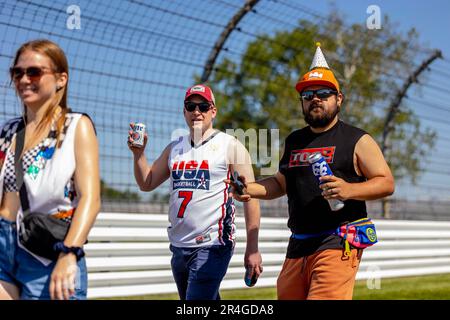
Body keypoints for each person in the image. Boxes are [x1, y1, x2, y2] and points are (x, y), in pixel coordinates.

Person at [226, 43, 395, 300]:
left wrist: (349, 190)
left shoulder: (357, 139)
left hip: (338, 241)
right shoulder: (295, 141)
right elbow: (280, 184)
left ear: (339, 99)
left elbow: (386, 183)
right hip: (298, 244)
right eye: (308, 95)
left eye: (324, 93)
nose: (315, 98)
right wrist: (247, 189)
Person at [127, 84, 262, 300]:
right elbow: (147, 182)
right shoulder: (174, 148)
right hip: (179, 246)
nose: (196, 111)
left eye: (203, 106)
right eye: (191, 106)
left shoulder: (230, 146)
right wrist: (138, 154)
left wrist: (252, 248)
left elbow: (251, 197)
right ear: (184, 111)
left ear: (213, 111)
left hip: (213, 245)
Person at [0, 39, 100, 300]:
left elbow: (91, 198)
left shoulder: (77, 126)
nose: (23, 79)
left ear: (60, 79)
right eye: (17, 72)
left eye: (33, 71)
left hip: (47, 252)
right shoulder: (8, 131)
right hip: (3, 244)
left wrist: (70, 254)